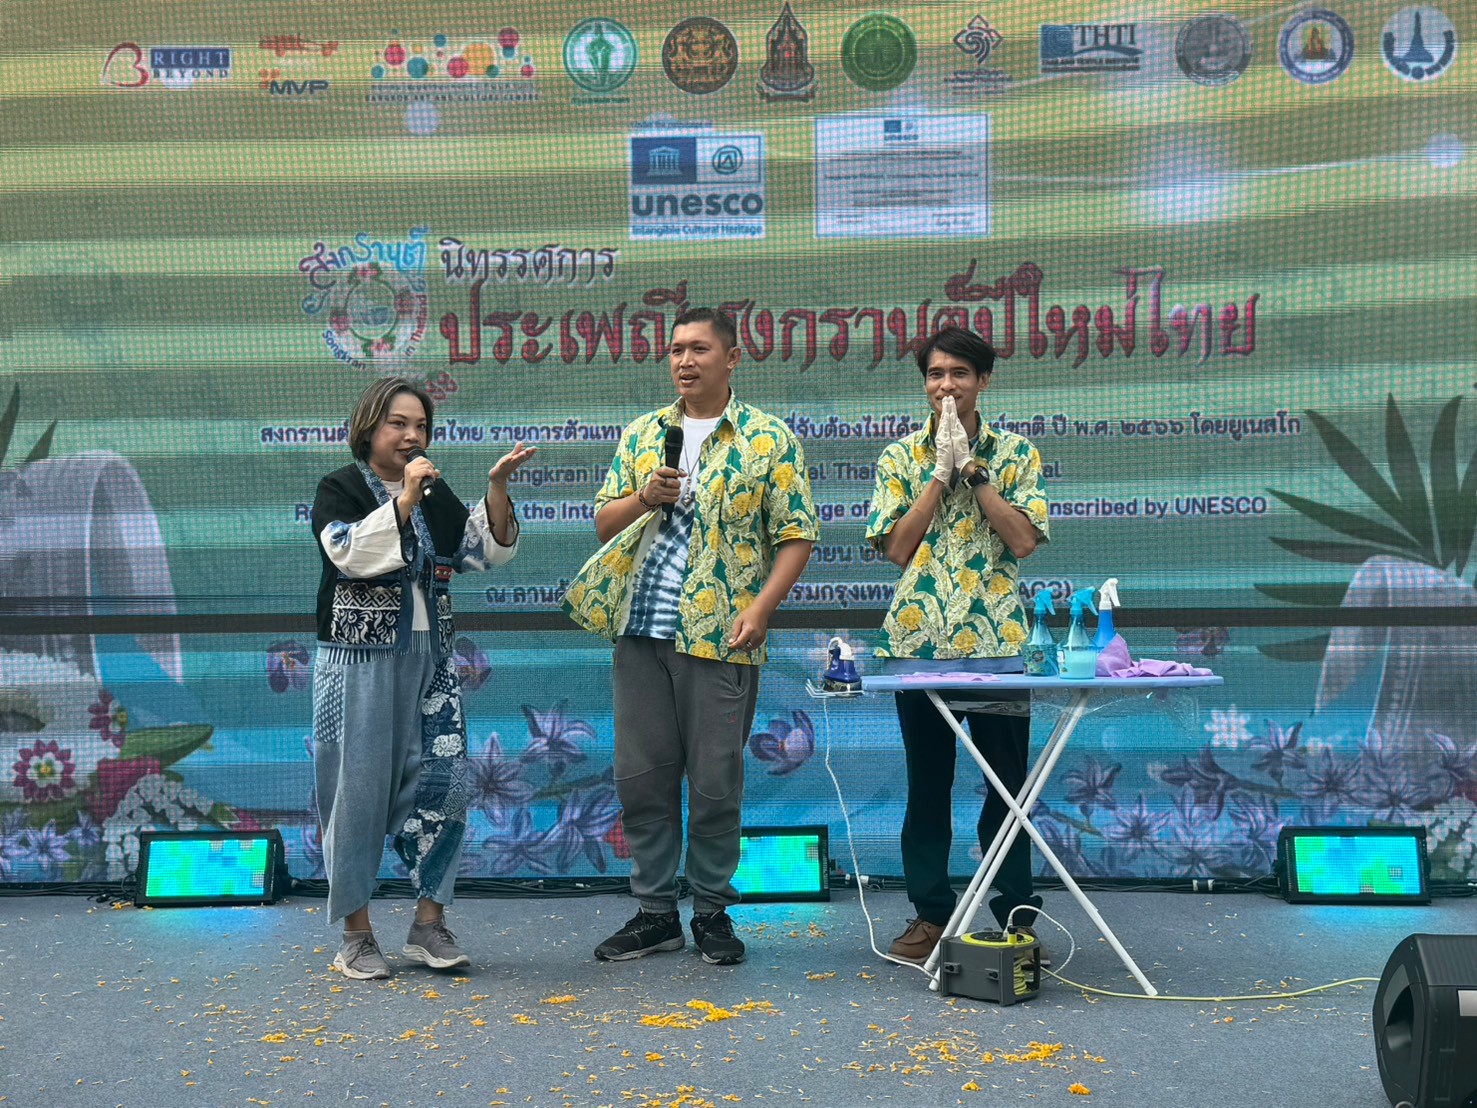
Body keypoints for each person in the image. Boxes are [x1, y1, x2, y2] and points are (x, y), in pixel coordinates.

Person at [562, 307, 818, 965]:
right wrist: (646, 496)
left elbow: (796, 534)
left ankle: (710, 912)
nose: (684, 361)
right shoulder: (644, 433)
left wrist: (761, 608)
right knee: (642, 780)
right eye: (676, 349)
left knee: (714, 781)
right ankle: (655, 914)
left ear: (731, 358)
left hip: (721, 634)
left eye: (699, 349)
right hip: (640, 629)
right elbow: (605, 523)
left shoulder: (768, 438)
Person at [310, 377, 534, 979]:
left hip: (430, 658)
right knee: (356, 792)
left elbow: (480, 551)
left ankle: (428, 925)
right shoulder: (339, 487)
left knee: (444, 784)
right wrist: (405, 499)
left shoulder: (434, 489)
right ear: (369, 429)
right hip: (358, 662)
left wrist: (496, 488)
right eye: (398, 424)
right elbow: (348, 553)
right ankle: (356, 936)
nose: (412, 436)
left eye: (422, 427)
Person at [863, 327, 1052, 966]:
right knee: (928, 786)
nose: (946, 385)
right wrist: (939, 475)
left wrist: (974, 471)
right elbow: (896, 548)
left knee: (1007, 790)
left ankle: (1016, 915)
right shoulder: (899, 457)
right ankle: (931, 915)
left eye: (960, 374)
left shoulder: (1017, 452)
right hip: (919, 647)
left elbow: (1023, 540)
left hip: (997, 647)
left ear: (983, 381)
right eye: (936, 373)